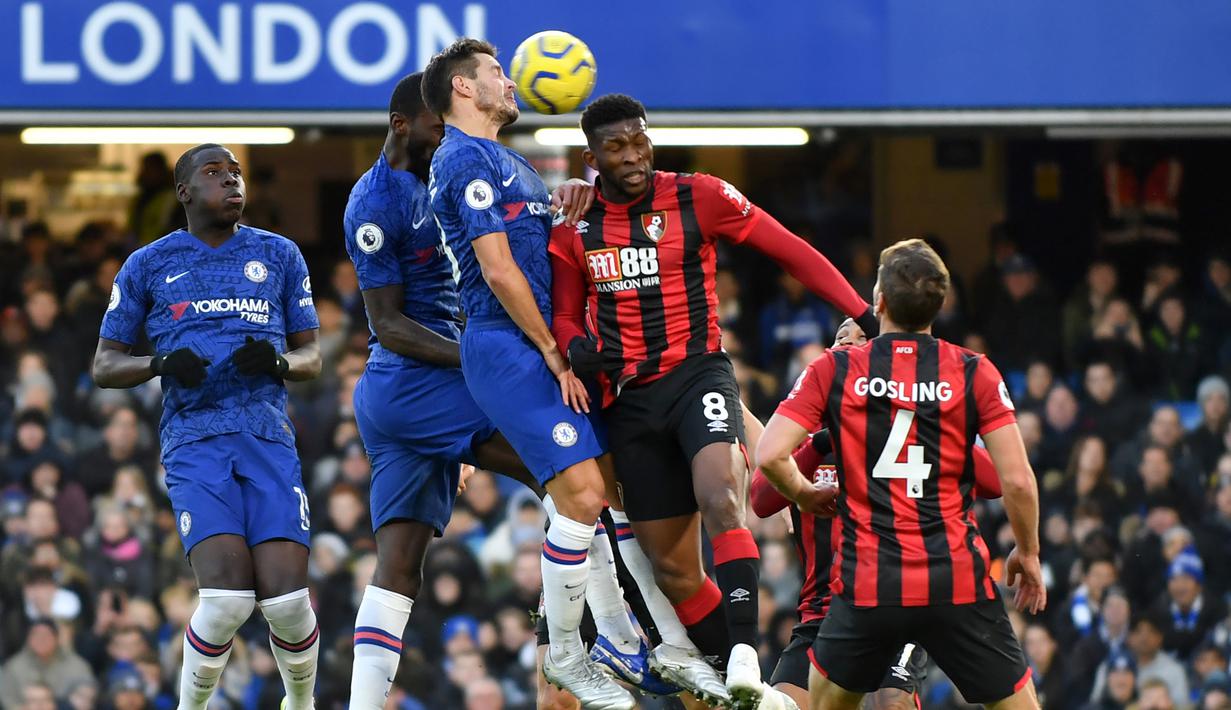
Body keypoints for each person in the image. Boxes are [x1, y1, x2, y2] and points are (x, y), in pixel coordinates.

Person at [342, 72, 681, 708]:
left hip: (420, 396)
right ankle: (610, 635)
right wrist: (479, 376)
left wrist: (570, 196)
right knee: (572, 476)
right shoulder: (375, 201)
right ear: (401, 125)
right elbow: (388, 325)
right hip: (413, 384)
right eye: (434, 124)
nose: (445, 133)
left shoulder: (452, 173)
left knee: (398, 565)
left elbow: (516, 234)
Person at [548, 93, 876, 710]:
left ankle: (747, 649)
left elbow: (788, 249)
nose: (634, 156)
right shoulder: (575, 224)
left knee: (721, 495)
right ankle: (732, 671)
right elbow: (565, 312)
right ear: (593, 158)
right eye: (616, 148)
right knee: (673, 572)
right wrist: (574, 345)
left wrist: (859, 309)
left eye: (640, 140)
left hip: (699, 376)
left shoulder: (698, 195)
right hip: (629, 401)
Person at [422, 40, 633, 709]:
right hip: (510, 346)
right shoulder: (461, 157)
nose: (509, 81)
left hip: (531, 344)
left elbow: (535, 250)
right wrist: (550, 348)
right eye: (495, 73)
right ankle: (575, 652)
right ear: (462, 89)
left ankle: (616, 638)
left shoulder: (505, 160)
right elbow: (498, 269)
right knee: (580, 497)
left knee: (601, 493)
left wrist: (569, 202)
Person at [756, 239, 1045, 710]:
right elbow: (1015, 481)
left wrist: (804, 495)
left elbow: (769, 456)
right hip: (956, 579)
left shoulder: (836, 368)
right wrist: (1028, 552)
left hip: (869, 584)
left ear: (879, 302)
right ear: (941, 305)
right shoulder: (975, 371)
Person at [92, 144, 323, 710]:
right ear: (185, 192)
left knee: (288, 603)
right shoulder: (147, 263)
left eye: (236, 173)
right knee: (225, 603)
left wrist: (277, 364)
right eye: (214, 174)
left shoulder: (280, 254)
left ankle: (301, 702)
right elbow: (104, 365)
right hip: (194, 440)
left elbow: (311, 356)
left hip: (268, 437)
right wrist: (159, 363)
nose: (232, 182)